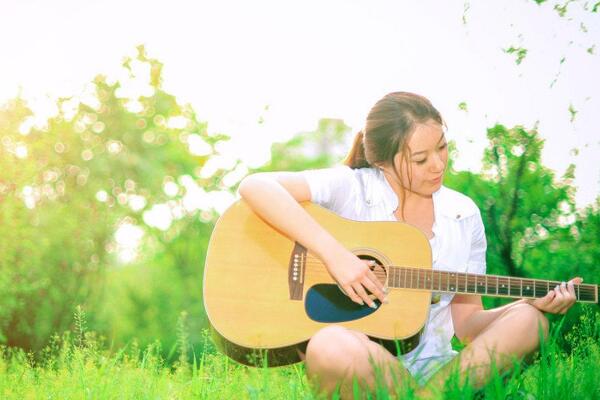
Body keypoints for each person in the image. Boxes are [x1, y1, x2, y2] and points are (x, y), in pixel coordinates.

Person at [237, 91, 581, 398]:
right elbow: (256, 186)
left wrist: (523, 305)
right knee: (327, 345)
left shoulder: (463, 214)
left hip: (443, 372)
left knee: (530, 320)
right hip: (365, 364)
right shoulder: (353, 188)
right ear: (383, 161)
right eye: (420, 159)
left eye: (443, 148)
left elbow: (468, 325)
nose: (438, 164)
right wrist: (335, 256)